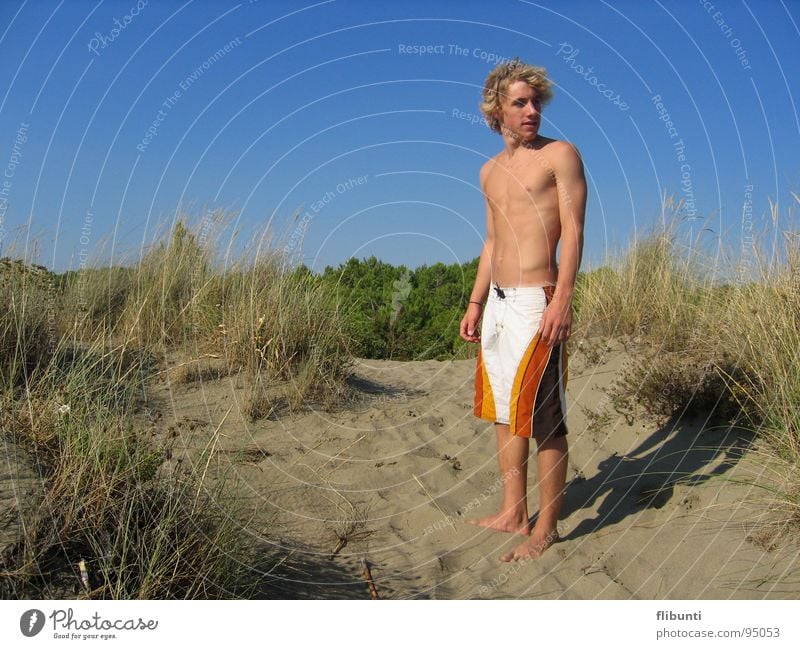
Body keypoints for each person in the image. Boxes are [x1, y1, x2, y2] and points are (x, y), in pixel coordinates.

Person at [459, 57, 586, 561]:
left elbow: (574, 231)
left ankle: (546, 529)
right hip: (497, 304)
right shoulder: (489, 171)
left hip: (539, 301)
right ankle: (514, 510)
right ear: (498, 111)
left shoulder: (560, 155)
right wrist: (474, 302)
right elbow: (491, 241)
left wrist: (564, 297)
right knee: (503, 409)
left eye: (536, 102)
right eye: (520, 103)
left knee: (544, 416)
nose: (532, 110)